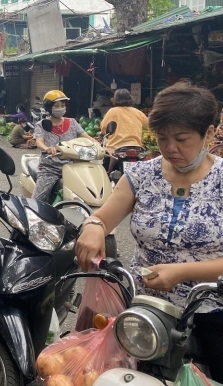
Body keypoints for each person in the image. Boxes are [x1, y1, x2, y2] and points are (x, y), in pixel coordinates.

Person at [75, 84, 223, 381]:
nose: (170, 148)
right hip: (143, 309)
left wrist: (181, 273)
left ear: (208, 133)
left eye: (181, 139)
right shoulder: (142, 175)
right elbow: (103, 217)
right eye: (162, 138)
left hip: (211, 309)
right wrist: (93, 227)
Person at [32, 90, 93, 203]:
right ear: (49, 107)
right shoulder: (41, 125)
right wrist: (47, 148)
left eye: (63, 105)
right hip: (50, 168)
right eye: (56, 105)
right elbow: (39, 141)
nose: (61, 108)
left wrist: (102, 146)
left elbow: (87, 137)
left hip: (73, 166)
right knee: (37, 200)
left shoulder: (72, 122)